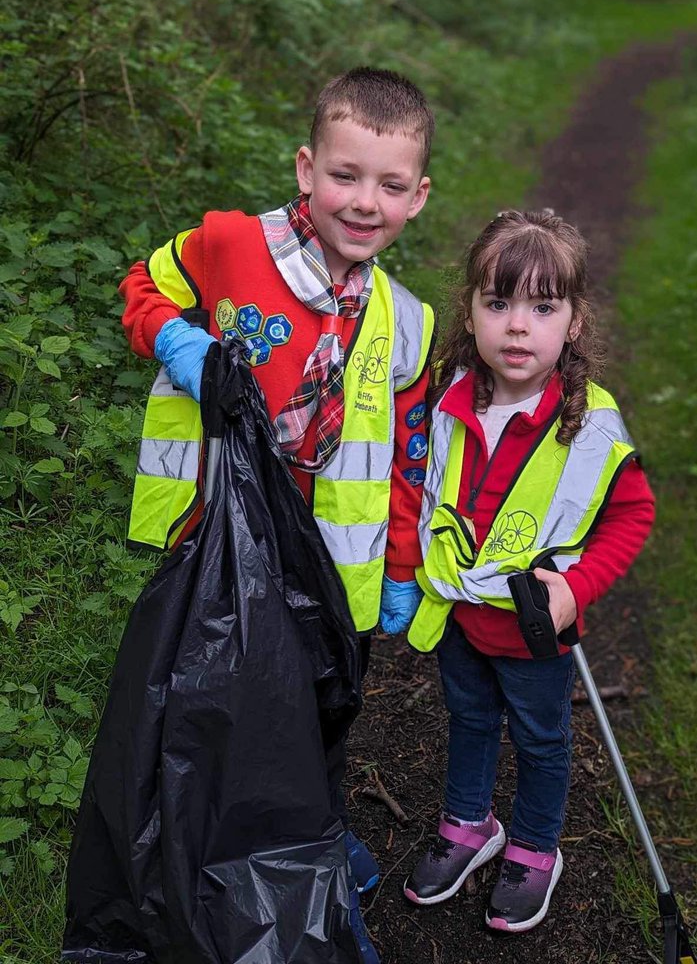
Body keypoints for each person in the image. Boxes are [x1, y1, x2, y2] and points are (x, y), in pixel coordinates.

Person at [120, 67, 436, 962]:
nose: (363, 201)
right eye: (344, 174)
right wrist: (176, 338)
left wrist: (405, 567)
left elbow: (408, 461)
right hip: (220, 547)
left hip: (335, 569)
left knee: (324, 718)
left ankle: (317, 862)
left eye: (389, 184)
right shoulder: (228, 245)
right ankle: (208, 869)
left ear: (419, 197)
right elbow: (144, 286)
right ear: (306, 169)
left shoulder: (406, 322)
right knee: (218, 712)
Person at [402, 209, 656, 934]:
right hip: (458, 615)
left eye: (543, 308)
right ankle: (468, 825)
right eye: (499, 303)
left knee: (543, 741)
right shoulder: (447, 399)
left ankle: (537, 849)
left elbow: (631, 516)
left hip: (535, 629)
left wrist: (577, 587)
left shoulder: (590, 423)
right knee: (470, 720)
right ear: (472, 312)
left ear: (573, 323)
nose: (519, 327)